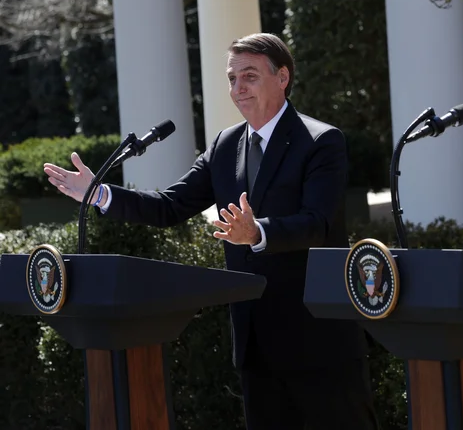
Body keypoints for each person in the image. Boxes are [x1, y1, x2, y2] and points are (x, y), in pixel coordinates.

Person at [43, 33, 379, 430]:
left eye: (249, 76)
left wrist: (258, 233)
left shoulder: (320, 141)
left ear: (283, 76)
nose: (238, 88)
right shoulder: (224, 145)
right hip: (256, 344)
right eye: (232, 78)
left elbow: (318, 223)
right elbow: (170, 206)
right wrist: (98, 193)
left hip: (318, 340)